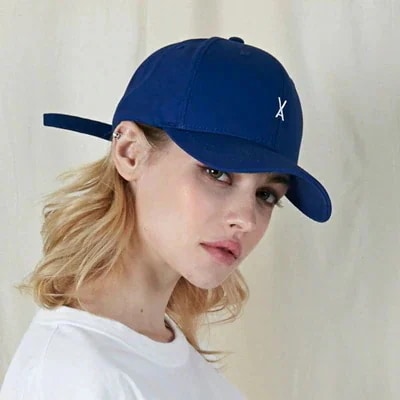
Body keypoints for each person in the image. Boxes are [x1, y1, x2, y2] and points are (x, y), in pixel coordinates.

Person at [0, 36, 332, 399]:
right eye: (218, 173)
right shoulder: (70, 375)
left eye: (266, 195)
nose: (246, 220)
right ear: (130, 153)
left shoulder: (169, 359)